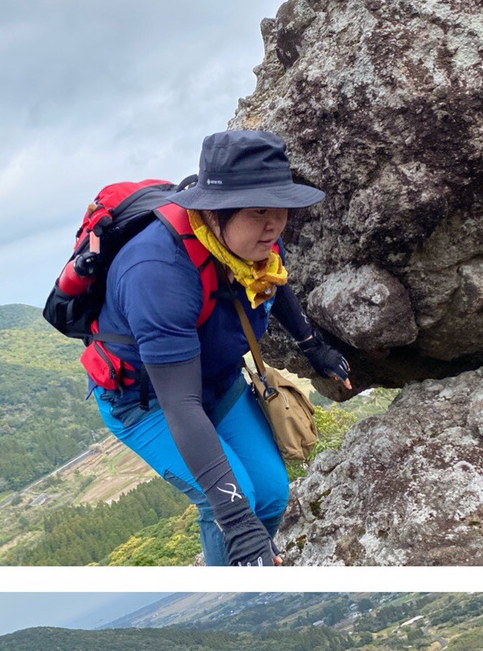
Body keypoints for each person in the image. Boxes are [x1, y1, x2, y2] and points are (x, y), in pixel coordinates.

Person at [91, 129, 351, 566]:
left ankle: (252, 553)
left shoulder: (252, 240)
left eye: (281, 209)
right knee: (232, 502)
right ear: (214, 213)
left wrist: (314, 347)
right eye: (259, 211)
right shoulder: (156, 272)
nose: (275, 224)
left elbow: (276, 281)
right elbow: (179, 402)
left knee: (269, 493)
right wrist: (236, 523)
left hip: (218, 380)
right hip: (148, 400)